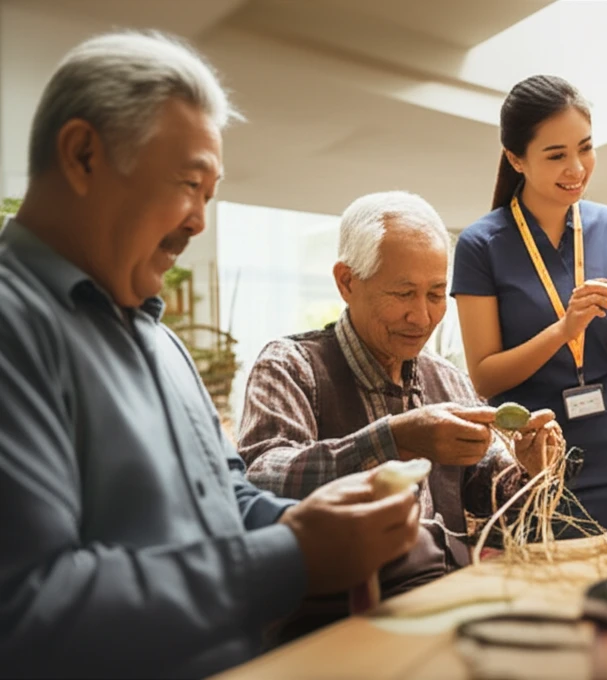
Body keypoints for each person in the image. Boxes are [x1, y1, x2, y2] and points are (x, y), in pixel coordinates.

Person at [0, 31, 422, 678]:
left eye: (209, 195)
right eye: (189, 184)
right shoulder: (14, 326)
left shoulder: (158, 340)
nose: (199, 220)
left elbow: (226, 496)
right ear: (83, 155)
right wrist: (294, 557)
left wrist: (319, 525)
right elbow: (28, 607)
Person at [237, 191, 560, 627]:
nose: (423, 317)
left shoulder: (446, 378)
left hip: (447, 601)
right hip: (339, 619)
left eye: (436, 294)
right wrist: (395, 440)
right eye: (404, 293)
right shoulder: (292, 366)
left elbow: (486, 490)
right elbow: (261, 478)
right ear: (347, 282)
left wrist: (525, 470)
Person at [451, 75, 607, 533]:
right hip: (529, 452)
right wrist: (563, 330)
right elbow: (486, 377)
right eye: (556, 155)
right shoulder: (480, 244)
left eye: (585, 148)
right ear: (516, 159)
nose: (577, 168)